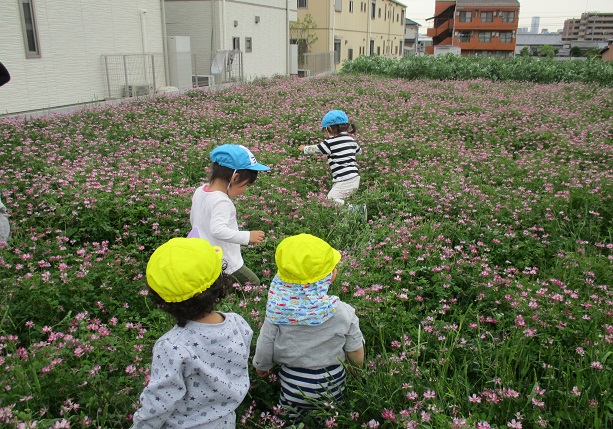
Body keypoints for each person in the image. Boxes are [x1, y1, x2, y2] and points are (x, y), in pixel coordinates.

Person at [132, 237, 253, 429]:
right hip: (226, 422)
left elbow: (159, 401)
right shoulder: (239, 324)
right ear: (220, 282)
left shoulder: (172, 346)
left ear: (161, 300)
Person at [252, 233, 365, 421]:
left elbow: (265, 342)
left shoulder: (278, 311)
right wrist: (356, 371)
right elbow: (355, 349)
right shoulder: (344, 312)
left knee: (287, 418)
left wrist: (261, 366)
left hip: (293, 381)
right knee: (331, 419)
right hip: (333, 380)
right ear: (328, 278)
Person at [189, 144, 269, 287]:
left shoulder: (200, 190)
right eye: (245, 185)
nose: (244, 190)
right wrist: (247, 236)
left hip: (202, 252)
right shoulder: (222, 201)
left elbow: (194, 219)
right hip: (224, 259)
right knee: (253, 283)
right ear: (235, 178)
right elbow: (218, 230)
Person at [298, 110, 362, 205]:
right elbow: (359, 152)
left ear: (329, 129)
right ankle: (349, 215)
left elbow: (316, 149)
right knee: (338, 201)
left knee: (329, 201)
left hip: (344, 179)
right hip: (354, 177)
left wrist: (304, 149)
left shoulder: (330, 142)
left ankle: (356, 211)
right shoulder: (351, 140)